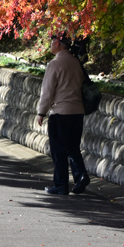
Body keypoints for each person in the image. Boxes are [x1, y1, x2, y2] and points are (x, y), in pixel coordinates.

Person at [36, 34, 89, 195]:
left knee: (58, 150)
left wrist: (41, 112)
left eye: (52, 42)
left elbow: (48, 91)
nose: (50, 45)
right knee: (73, 147)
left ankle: (61, 184)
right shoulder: (75, 62)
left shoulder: (55, 63)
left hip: (60, 112)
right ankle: (81, 175)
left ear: (58, 44)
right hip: (77, 111)